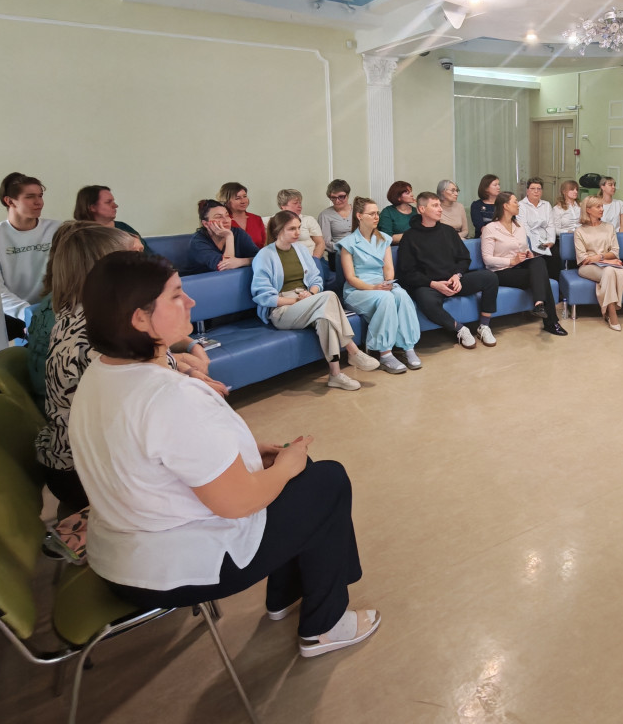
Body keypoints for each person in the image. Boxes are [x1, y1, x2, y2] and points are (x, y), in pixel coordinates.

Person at [70, 250, 379, 659]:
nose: (191, 301)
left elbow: (159, 459)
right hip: (171, 568)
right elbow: (238, 503)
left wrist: (249, 453)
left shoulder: (100, 373)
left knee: (305, 480)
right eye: (176, 295)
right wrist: (285, 467)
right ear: (139, 319)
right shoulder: (169, 396)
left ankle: (285, 596)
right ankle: (324, 628)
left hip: (120, 554)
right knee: (327, 480)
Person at [36, 223, 223, 516]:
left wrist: (187, 369)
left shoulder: (80, 313)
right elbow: (153, 397)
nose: (146, 264)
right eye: (135, 257)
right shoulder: (96, 332)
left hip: (77, 458)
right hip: (86, 472)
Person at [252, 211, 380, 391]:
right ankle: (353, 350)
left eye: (299, 228)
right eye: (291, 229)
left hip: (308, 300)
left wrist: (310, 293)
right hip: (282, 309)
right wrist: (296, 300)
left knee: (325, 319)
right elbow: (263, 296)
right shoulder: (265, 255)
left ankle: (335, 375)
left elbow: (316, 279)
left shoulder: (300, 250)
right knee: (329, 296)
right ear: (278, 230)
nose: (297, 233)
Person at [395, 191, 499, 348]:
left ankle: (484, 326)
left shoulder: (448, 231)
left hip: (454, 280)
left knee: (490, 278)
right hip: (430, 285)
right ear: (422, 209)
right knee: (425, 299)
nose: (440, 209)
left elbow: (464, 258)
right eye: (435, 205)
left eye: (439, 205)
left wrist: (457, 275)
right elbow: (407, 273)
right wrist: (433, 284)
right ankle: (460, 329)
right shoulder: (410, 237)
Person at [338, 197, 422, 374]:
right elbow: (351, 278)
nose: (376, 217)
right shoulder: (348, 243)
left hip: (381, 285)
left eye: (377, 213)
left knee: (402, 295)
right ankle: (384, 353)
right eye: (372, 214)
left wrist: (387, 282)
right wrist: (374, 288)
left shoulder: (384, 239)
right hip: (358, 290)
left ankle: (408, 347)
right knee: (386, 298)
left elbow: (389, 269)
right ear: (359, 216)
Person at [480, 193, 567, 336]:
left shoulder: (519, 226)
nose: (518, 204)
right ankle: (551, 322)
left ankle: (539, 304)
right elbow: (487, 259)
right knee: (542, 277)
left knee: (539, 261)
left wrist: (528, 254)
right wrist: (511, 261)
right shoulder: (490, 228)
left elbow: (524, 248)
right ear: (505, 206)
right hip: (500, 271)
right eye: (515, 202)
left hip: (519, 266)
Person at [0, 171, 60, 339]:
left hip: (54, 310)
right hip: (12, 315)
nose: (38, 202)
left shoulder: (57, 230)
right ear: (9, 201)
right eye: (30, 197)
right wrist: (28, 313)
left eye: (40, 196)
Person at [574, 195, 623, 331]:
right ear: (588, 210)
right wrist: (604, 260)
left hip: (608, 263)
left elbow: (615, 251)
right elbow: (583, 258)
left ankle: (608, 310)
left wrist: (600, 257)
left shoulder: (609, 227)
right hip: (587, 267)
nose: (602, 209)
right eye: (598, 206)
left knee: (620, 273)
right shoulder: (579, 231)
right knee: (609, 272)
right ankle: (612, 313)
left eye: (602, 206)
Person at [185, 199, 259, 274]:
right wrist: (229, 236)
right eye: (218, 217)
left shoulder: (239, 233)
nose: (226, 220)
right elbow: (226, 267)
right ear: (206, 224)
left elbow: (260, 258)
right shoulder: (198, 242)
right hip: (202, 280)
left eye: (227, 215)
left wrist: (241, 262)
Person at [74, 184, 145, 246]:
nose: (115, 206)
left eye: (113, 201)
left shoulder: (123, 227)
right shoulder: (79, 235)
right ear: (92, 207)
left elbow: (146, 253)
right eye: (108, 202)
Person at [517, 177, 559, 280]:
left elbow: (550, 225)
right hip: (530, 240)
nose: (536, 191)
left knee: (555, 255)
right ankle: (542, 283)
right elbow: (524, 227)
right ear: (527, 191)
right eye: (533, 188)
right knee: (539, 261)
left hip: (546, 240)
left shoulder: (546, 205)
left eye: (539, 189)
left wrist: (551, 241)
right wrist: (536, 245)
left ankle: (555, 284)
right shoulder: (521, 205)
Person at [276, 189, 326, 259]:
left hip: (311, 258)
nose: (299, 206)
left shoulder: (309, 220)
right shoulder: (274, 221)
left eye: (300, 203)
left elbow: (320, 243)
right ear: (283, 206)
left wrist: (314, 260)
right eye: (295, 203)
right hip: (286, 260)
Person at [219, 182, 265, 249]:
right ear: (226, 201)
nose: (243, 201)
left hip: (257, 255)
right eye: (237, 198)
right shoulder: (223, 221)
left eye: (245, 196)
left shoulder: (256, 219)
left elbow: (264, 245)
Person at [317, 179, 354, 254]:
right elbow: (326, 243)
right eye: (333, 197)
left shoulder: (358, 211)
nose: (337, 201)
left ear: (347, 195)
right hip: (338, 251)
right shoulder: (325, 215)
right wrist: (344, 248)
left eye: (341, 197)